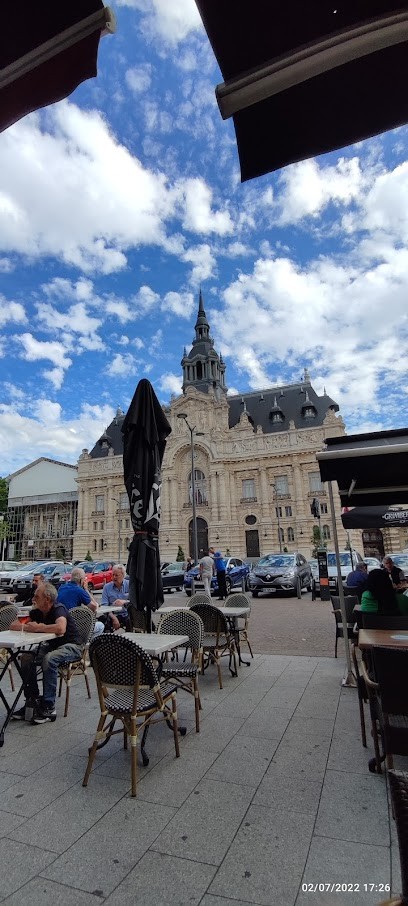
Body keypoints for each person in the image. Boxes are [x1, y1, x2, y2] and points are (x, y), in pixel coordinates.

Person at [10, 581, 82, 723]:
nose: (33, 599)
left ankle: (49, 706)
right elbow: (14, 625)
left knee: (49, 659)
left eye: (37, 596)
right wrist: (28, 627)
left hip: (72, 646)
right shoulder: (37, 611)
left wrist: (38, 628)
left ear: (47, 599)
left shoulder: (58, 609)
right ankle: (32, 700)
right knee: (26, 657)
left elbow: (61, 628)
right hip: (53, 645)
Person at [57, 566, 104, 637]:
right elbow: (94, 607)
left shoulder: (62, 588)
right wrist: (86, 589)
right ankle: (88, 646)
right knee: (100, 626)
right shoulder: (79, 590)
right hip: (73, 625)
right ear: (81, 580)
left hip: (61, 622)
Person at [99, 563, 130, 631]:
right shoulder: (107, 587)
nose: (114, 577)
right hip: (112, 614)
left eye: (116, 575)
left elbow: (135, 602)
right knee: (102, 620)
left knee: (132, 620)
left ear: (123, 575)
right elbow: (104, 606)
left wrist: (125, 601)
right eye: (113, 575)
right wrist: (114, 618)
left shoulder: (129, 585)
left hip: (127, 614)